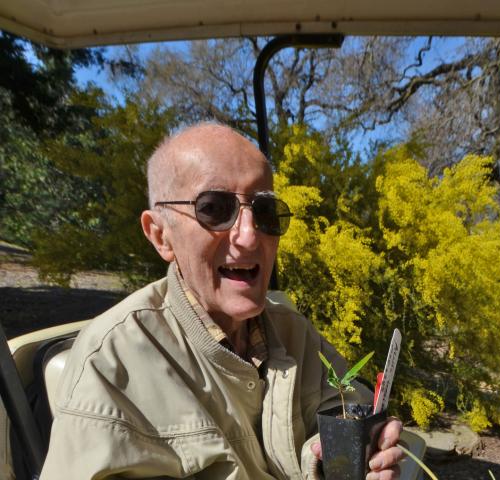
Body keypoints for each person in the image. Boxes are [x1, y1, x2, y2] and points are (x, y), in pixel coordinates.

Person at [40, 122, 403, 480]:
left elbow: (344, 408)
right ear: (160, 236)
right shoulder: (112, 364)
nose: (248, 236)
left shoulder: (294, 332)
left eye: (264, 212)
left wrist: (356, 452)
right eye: (214, 208)